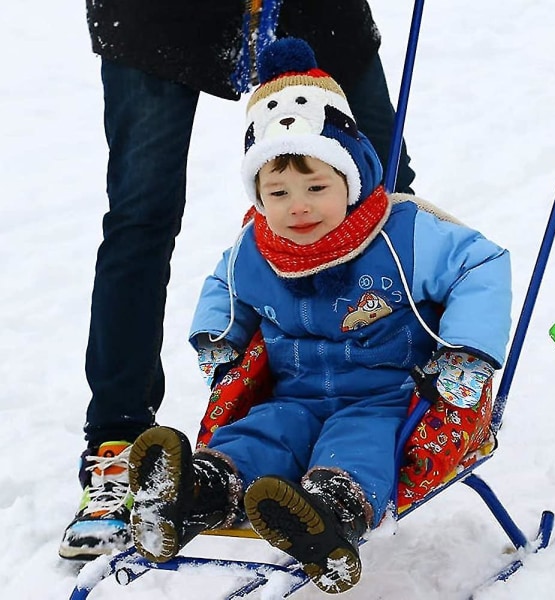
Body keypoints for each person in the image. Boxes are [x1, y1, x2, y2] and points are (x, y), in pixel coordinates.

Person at [126, 37, 512, 594]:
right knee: (259, 436)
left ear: (351, 180)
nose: (298, 206)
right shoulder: (255, 248)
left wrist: (467, 348)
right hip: (294, 393)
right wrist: (220, 336)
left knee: (358, 447)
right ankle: (195, 493)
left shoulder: (401, 232)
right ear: (258, 194)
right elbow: (223, 286)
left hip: (384, 395)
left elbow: (482, 264)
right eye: (277, 191)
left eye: (316, 186)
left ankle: (328, 516)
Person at [58, 0, 418, 561]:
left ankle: (386, 399)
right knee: (140, 214)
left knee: (380, 186)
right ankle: (117, 442)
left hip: (311, 8)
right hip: (154, 19)